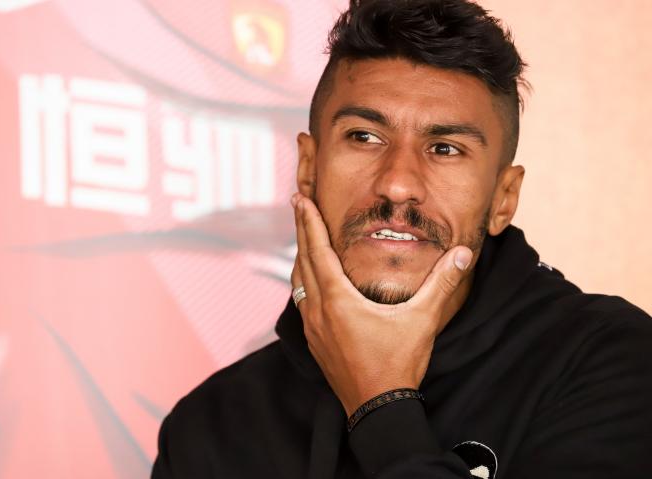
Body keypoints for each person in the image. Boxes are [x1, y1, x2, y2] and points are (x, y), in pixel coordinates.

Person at [151, 0, 652, 477]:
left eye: (445, 148)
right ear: (308, 168)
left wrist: (379, 401)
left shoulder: (608, 362)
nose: (397, 184)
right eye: (364, 137)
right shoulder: (212, 423)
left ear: (504, 198)